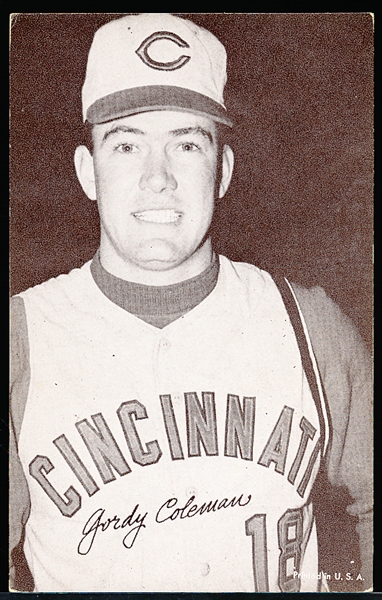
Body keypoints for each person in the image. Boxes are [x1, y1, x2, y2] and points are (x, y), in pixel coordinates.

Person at [10, 13, 372, 593]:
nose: (159, 177)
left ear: (222, 170)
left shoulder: (311, 326)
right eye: (125, 144)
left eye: (186, 143)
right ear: (88, 172)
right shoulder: (21, 339)